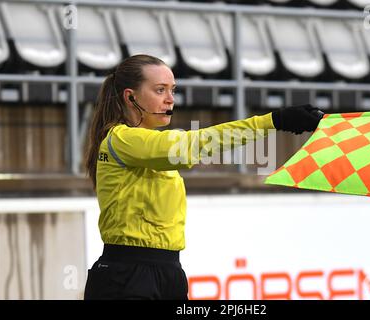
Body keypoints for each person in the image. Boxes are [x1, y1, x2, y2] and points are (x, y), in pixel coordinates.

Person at [83, 54, 323, 300]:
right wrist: (274, 121)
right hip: (128, 275)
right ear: (130, 96)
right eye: (159, 90)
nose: (170, 100)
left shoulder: (146, 143)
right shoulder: (122, 138)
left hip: (168, 271)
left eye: (172, 90)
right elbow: (192, 145)